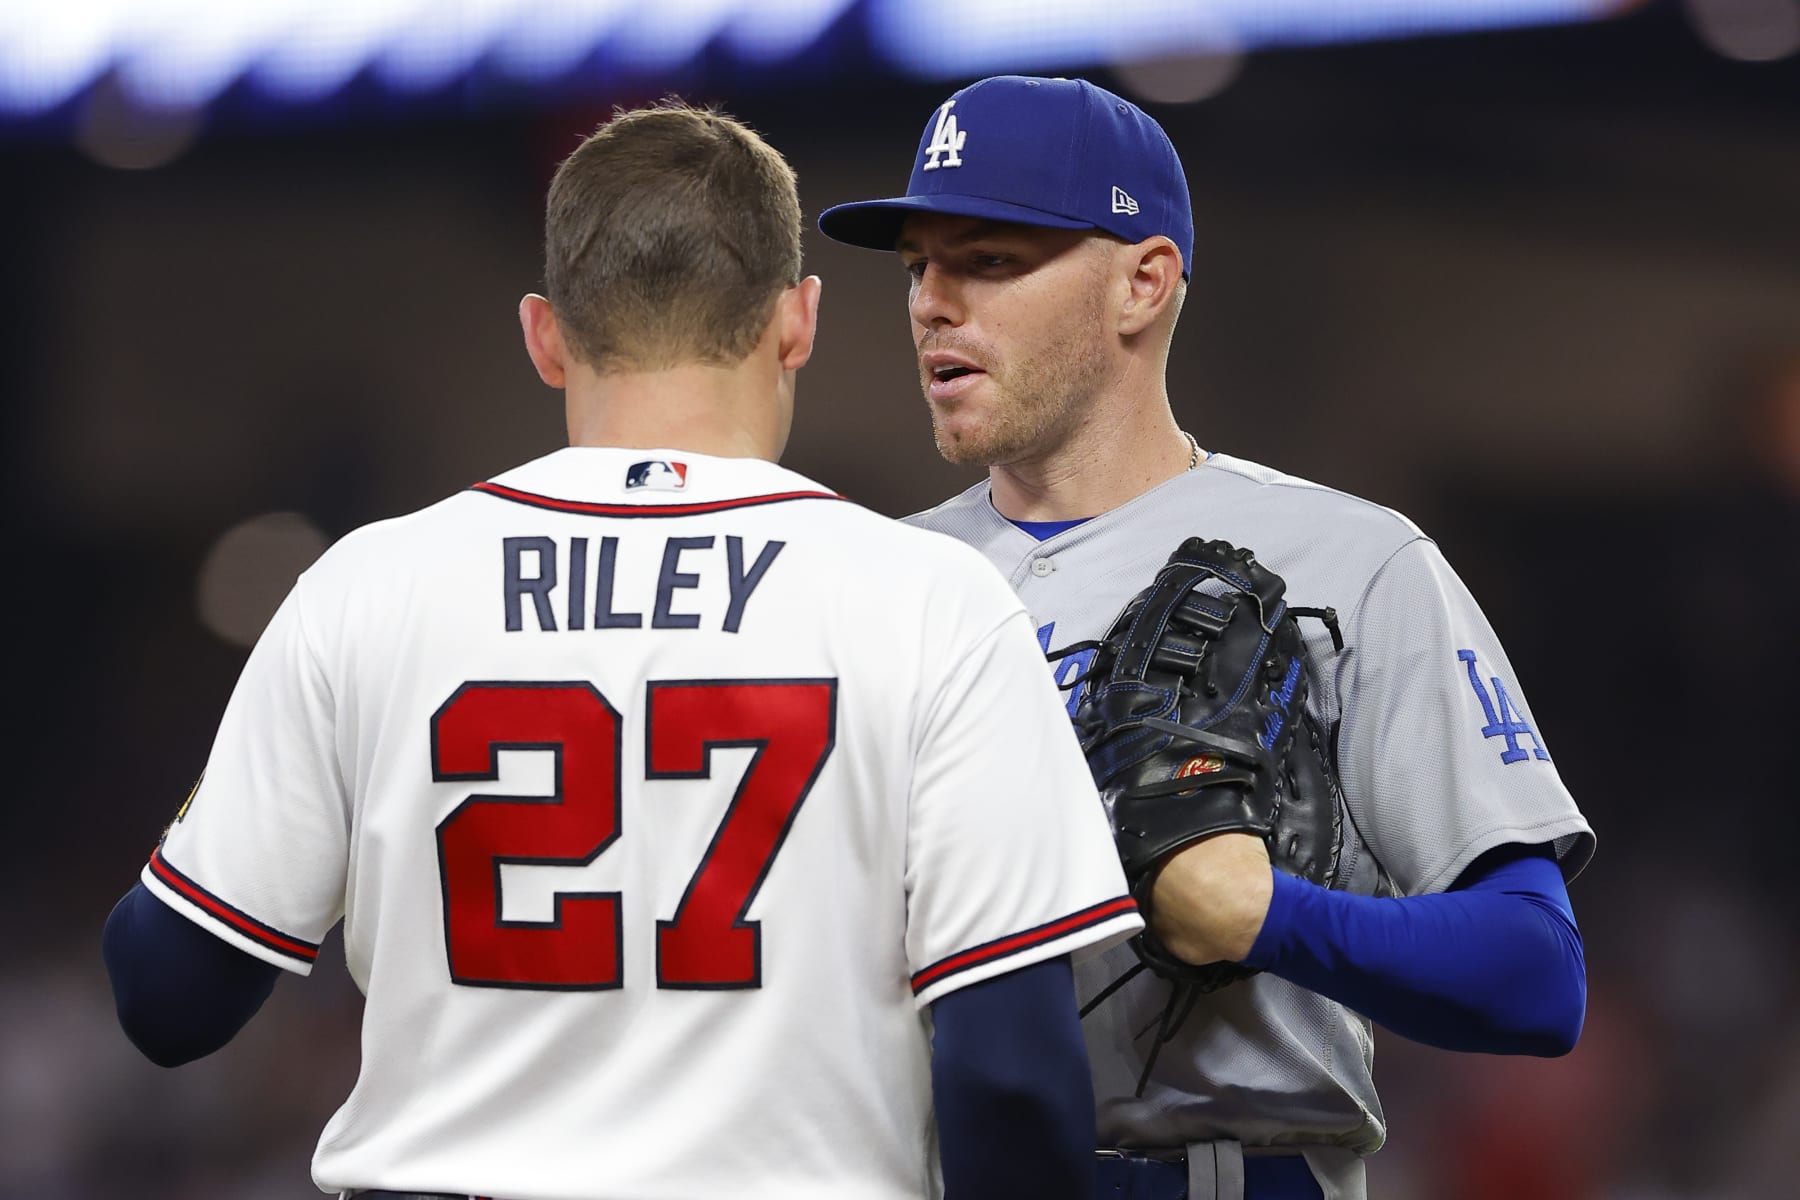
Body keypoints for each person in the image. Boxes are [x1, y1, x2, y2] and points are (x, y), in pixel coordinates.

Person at [102, 101, 1143, 1200]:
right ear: (798, 321)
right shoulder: (931, 602)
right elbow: (1013, 1081)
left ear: (545, 334)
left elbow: (168, 998)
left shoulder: (371, 588)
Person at [818, 75, 1594, 1200]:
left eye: (986, 260)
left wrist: (1270, 912)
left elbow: (1538, 975)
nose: (933, 302)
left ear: (1143, 282)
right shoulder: (866, 583)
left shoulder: (1349, 563)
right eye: (915, 267)